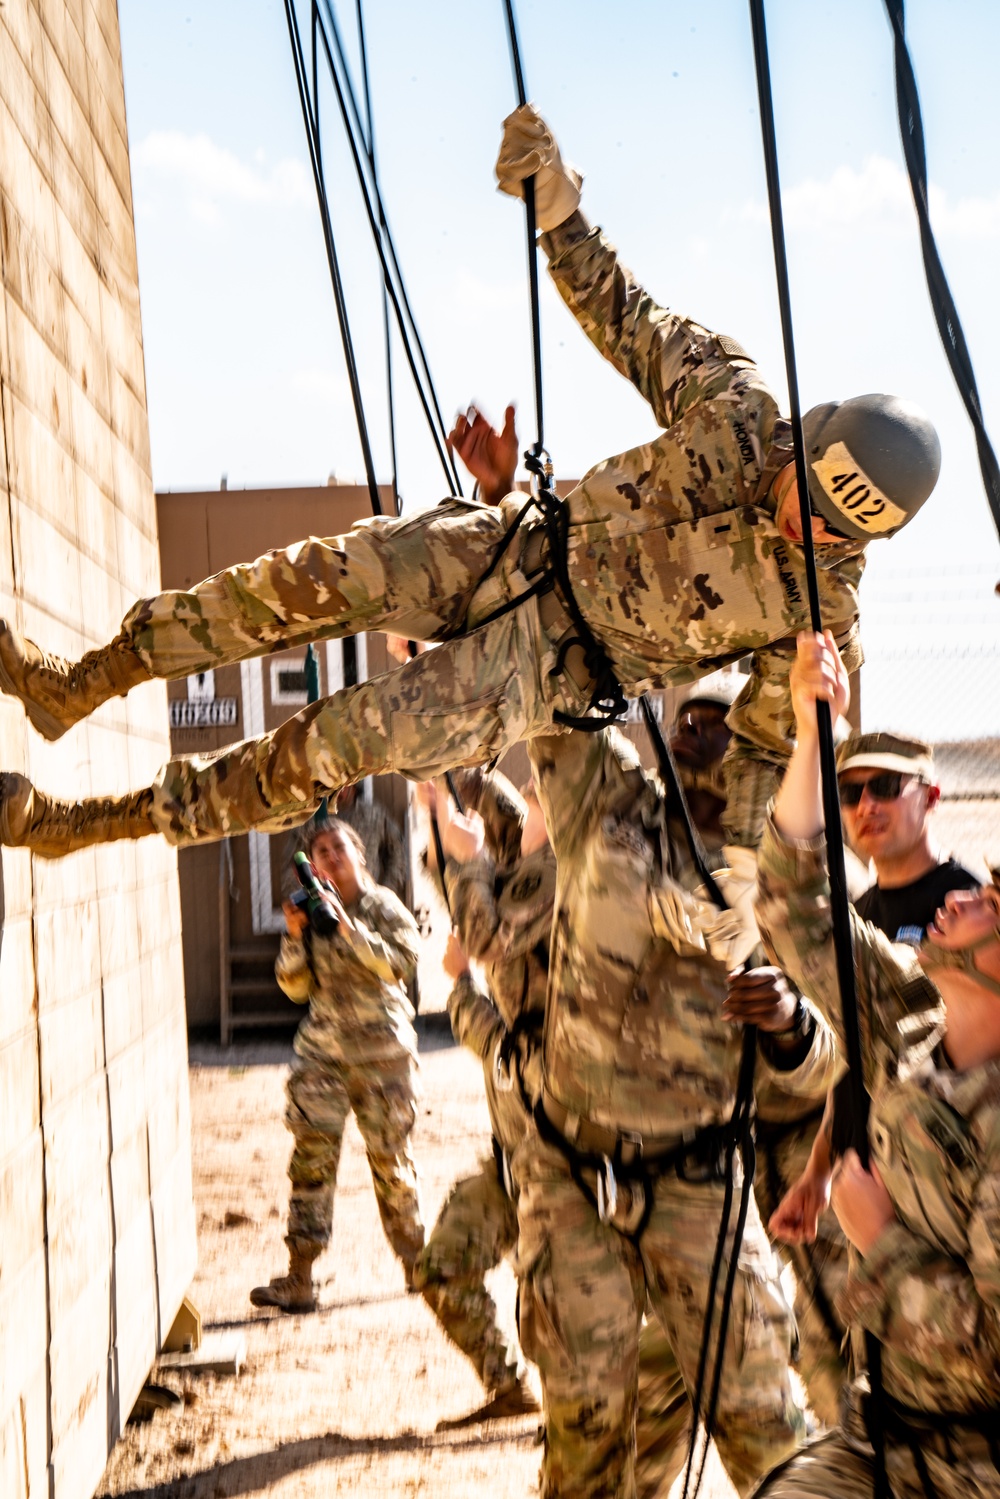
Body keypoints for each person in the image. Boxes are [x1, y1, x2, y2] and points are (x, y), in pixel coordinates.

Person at [0, 107, 940, 862]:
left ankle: (81, 824)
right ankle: (75, 684)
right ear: (808, 441)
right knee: (298, 580)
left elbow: (764, 774)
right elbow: (628, 317)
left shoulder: (821, 615)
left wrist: (797, 772)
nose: (804, 528)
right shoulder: (738, 406)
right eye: (805, 499)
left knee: (323, 746)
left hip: (538, 671)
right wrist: (558, 211)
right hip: (513, 544)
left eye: (832, 531)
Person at [509, 720, 847, 1499]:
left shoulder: (791, 878)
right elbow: (551, 705)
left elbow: (835, 1060)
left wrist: (790, 1018)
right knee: (585, 1434)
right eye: (694, 726)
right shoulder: (607, 809)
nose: (709, 747)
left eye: (731, 737)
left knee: (768, 1428)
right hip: (573, 1173)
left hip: (700, 1182)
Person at [753, 630, 1000, 1499]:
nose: (967, 896)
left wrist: (881, 1243)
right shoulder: (915, 1014)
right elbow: (792, 897)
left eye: (990, 903)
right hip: (884, 1434)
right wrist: (808, 730)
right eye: (849, 792)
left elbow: (993, 1354)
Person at [772, 730, 980, 1268]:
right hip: (855, 1191)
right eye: (849, 791)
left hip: (930, 1199)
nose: (866, 805)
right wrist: (817, 1176)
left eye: (886, 786)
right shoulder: (856, 912)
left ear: (931, 797)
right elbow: (853, 1058)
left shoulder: (967, 913)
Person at [409, 767, 552, 1426]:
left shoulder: (563, 885)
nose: (529, 808)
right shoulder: (516, 868)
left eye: (541, 799)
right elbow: (491, 831)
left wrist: (461, 985)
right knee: (441, 1266)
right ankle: (507, 1384)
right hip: (513, 1163)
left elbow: (496, 1038)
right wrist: (442, 785)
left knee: (568, 1319)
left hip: (571, 1173)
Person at [249, 817, 424, 1311]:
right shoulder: (311, 913)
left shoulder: (382, 906)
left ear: (359, 854)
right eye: (319, 850)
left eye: (338, 846)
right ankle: (299, 1277)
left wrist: (349, 929)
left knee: (392, 1163)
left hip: (381, 1057)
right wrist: (292, 934)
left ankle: (419, 1265)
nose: (328, 855)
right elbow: (294, 987)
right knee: (310, 1166)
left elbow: (400, 964)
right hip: (323, 1058)